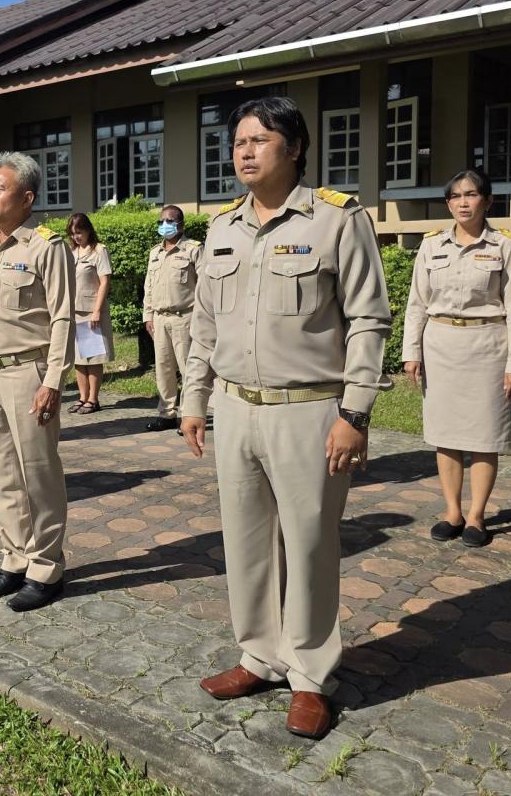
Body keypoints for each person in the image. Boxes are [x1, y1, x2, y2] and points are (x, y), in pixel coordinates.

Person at [180, 96, 391, 740]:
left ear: (295, 148)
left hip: (309, 411)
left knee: (308, 544)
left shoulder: (334, 220)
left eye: (260, 140)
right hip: (237, 407)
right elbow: (205, 323)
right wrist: (194, 397)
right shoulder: (222, 229)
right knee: (244, 545)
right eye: (239, 140)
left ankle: (310, 675)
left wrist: (354, 412)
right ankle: (259, 656)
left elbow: (368, 318)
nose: (244, 151)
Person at [0, 152, 74, 612]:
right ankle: (14, 557)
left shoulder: (46, 246)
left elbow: (64, 316)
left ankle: (46, 566)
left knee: (39, 474)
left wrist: (52, 380)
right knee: (1, 474)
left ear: (26, 198)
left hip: (29, 372)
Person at [402, 169, 511, 548]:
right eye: (455, 196)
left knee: (484, 435)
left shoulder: (504, 246)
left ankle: (476, 516)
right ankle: (452, 511)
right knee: (446, 435)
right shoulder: (431, 245)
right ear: (448, 203)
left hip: (488, 346)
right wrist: (411, 352)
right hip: (440, 346)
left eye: (471, 195)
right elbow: (416, 304)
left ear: (486, 201)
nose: (462, 202)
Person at [141, 205, 202, 431]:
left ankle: (189, 416)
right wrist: (148, 315)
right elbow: (148, 286)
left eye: (170, 221)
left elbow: (204, 287)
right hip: (159, 319)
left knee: (188, 369)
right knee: (163, 369)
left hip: (184, 317)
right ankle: (166, 414)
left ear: (181, 225)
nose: (164, 225)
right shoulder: (154, 253)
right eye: (161, 222)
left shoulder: (193, 250)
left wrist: (202, 319)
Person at [66, 212, 113, 414]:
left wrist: (96, 311)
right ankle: (82, 396)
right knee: (78, 358)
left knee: (93, 357)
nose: (77, 236)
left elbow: (105, 282)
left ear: (88, 230)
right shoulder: (72, 251)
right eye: (73, 233)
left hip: (91, 311)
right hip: (73, 311)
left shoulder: (99, 251)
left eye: (79, 232)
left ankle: (93, 398)